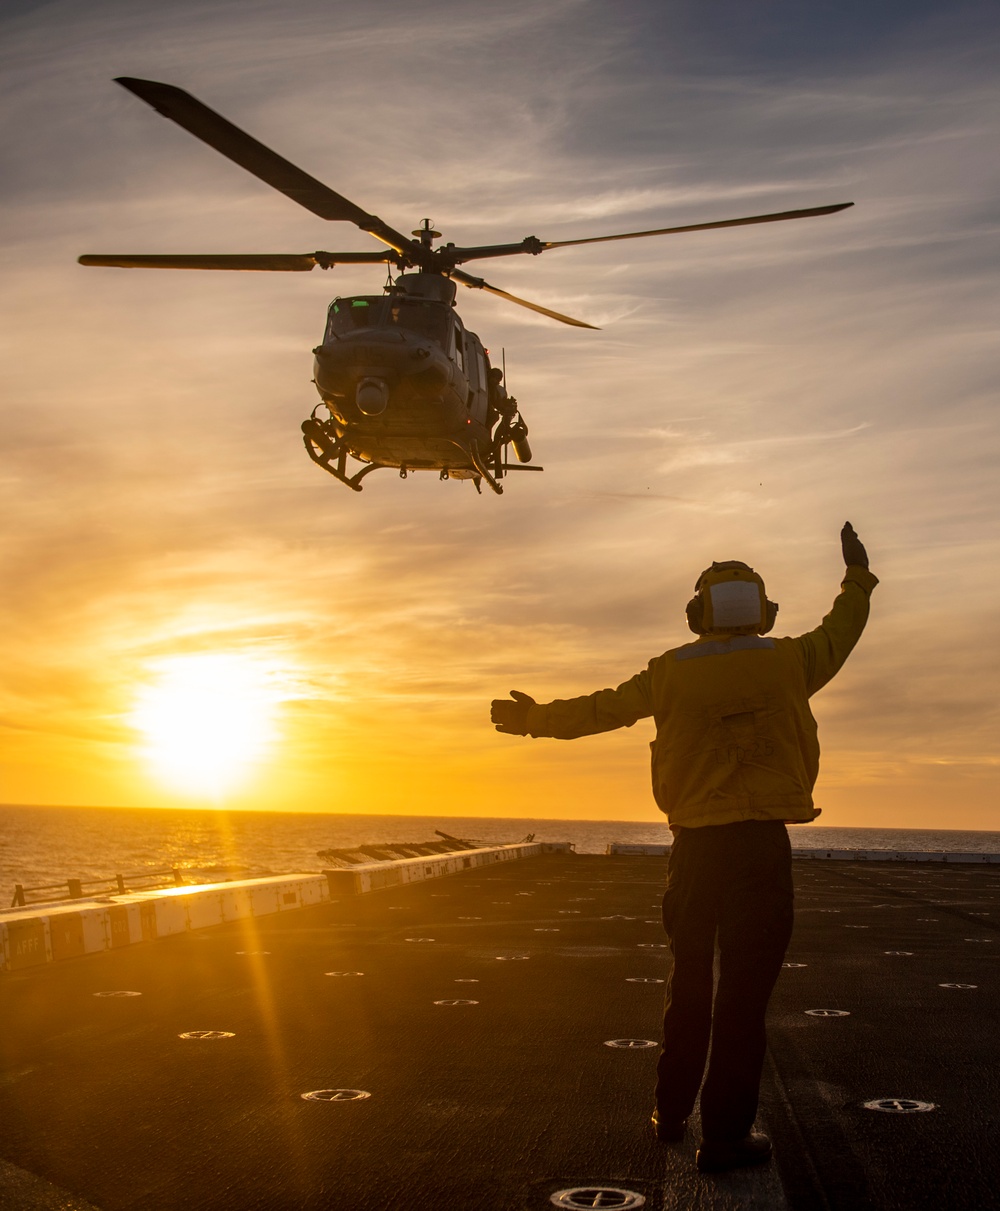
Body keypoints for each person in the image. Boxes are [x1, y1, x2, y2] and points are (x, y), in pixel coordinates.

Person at [491, 522, 877, 1173]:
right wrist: (858, 578)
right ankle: (725, 1137)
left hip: (694, 851)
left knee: (690, 982)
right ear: (764, 611)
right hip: (760, 845)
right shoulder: (791, 660)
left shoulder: (669, 671)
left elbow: (601, 709)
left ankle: (670, 1113)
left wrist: (532, 720)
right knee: (743, 999)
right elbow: (844, 628)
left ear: (698, 614)